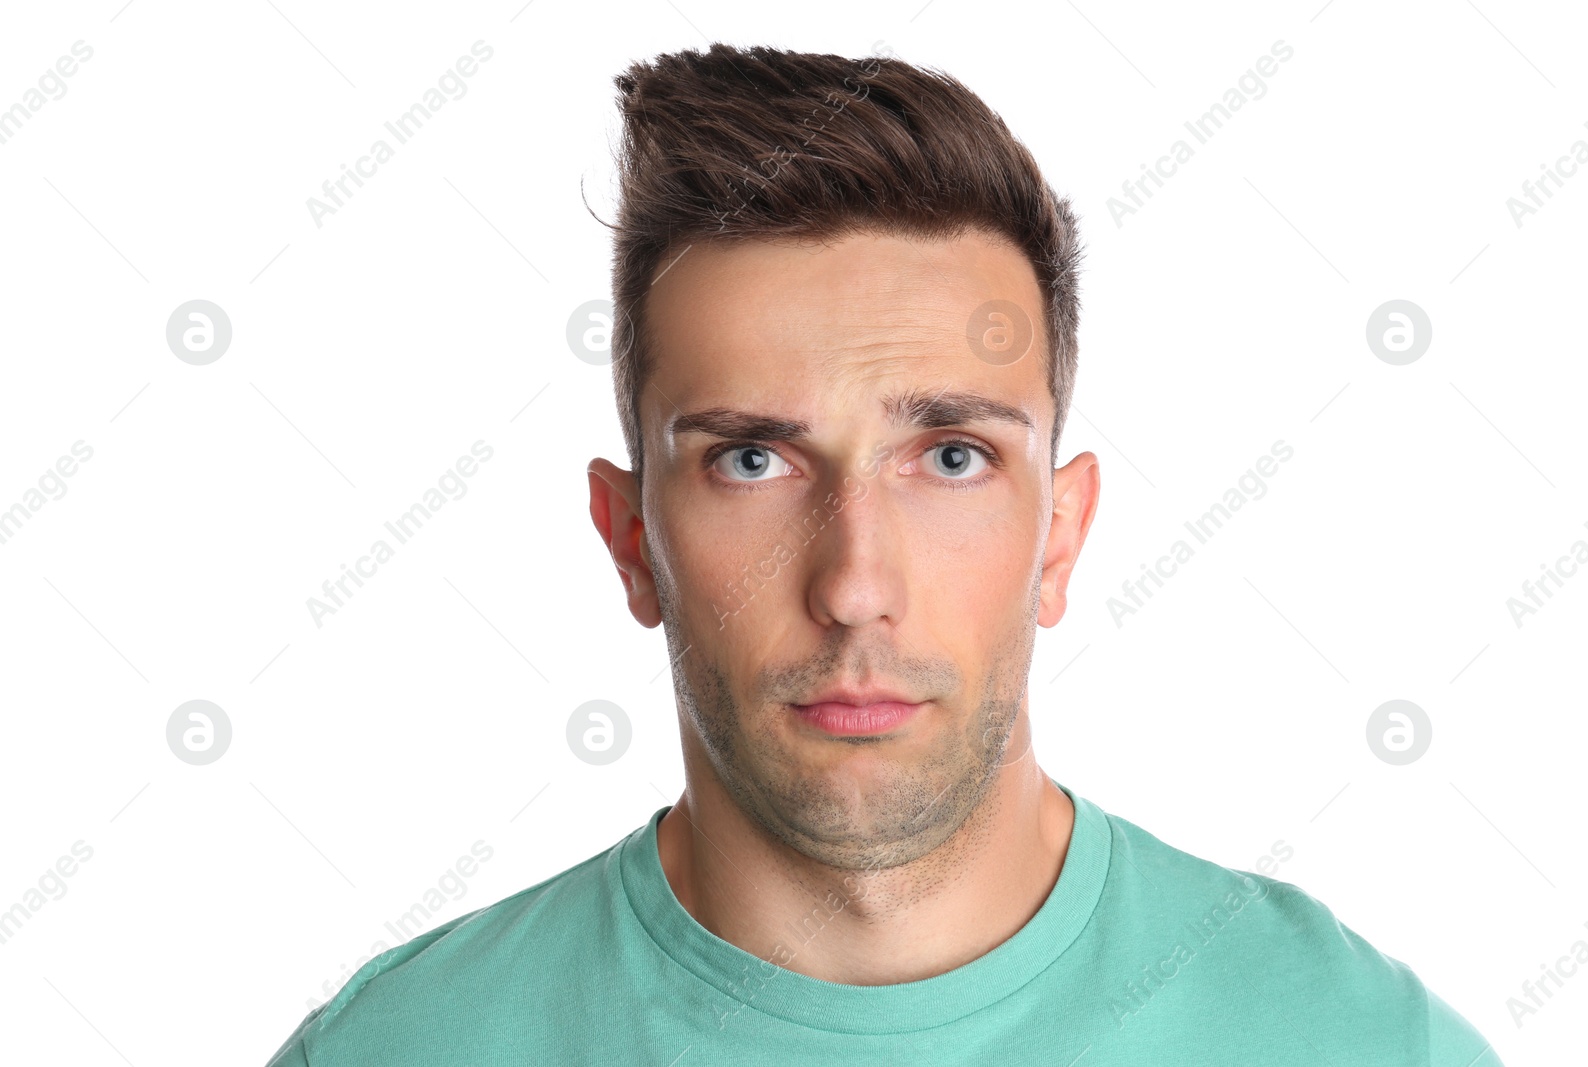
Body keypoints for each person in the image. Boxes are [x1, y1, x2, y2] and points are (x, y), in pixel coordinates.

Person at [265, 43, 1503, 1065]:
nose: (854, 583)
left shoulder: (1357, 1043)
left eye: (951, 456)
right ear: (632, 539)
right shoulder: (401, 1049)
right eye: (753, 460)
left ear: (1059, 534)